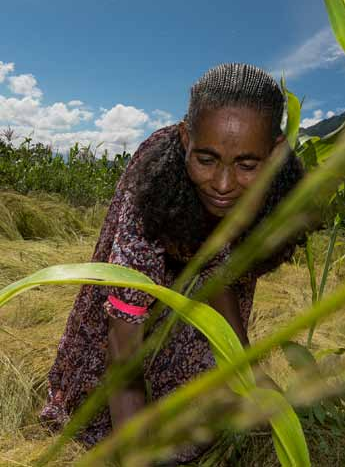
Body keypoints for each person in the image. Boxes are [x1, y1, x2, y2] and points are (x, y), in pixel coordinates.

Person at [41, 63, 304, 463]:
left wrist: (251, 376)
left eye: (248, 166)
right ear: (185, 138)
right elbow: (123, 335)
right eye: (207, 159)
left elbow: (224, 279)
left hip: (204, 288)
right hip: (141, 290)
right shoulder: (153, 181)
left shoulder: (275, 194)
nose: (222, 184)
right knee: (98, 414)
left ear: (276, 151)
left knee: (202, 403)